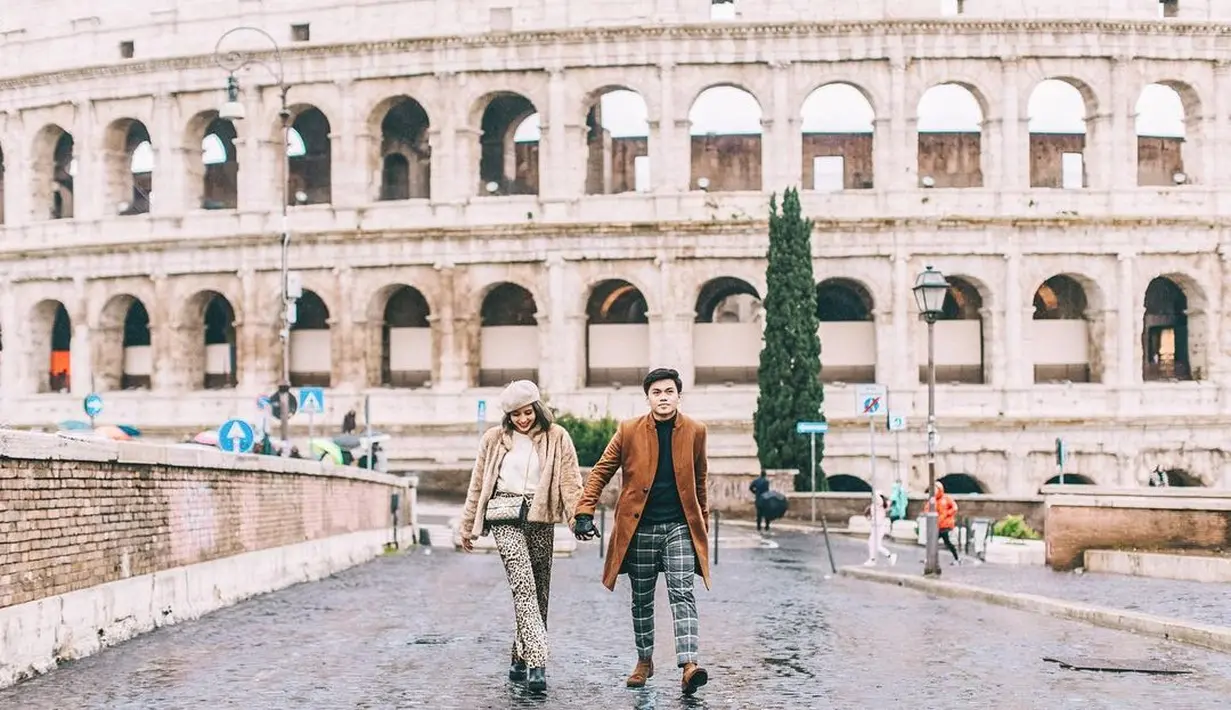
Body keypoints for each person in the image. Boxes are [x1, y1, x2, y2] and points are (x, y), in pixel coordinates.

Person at [572, 367, 712, 696]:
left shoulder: (696, 430)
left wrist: (700, 525)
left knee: (683, 593)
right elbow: (601, 471)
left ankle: (689, 664)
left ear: (678, 395)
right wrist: (584, 510)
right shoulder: (629, 430)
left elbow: (700, 481)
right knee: (641, 600)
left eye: (669, 392)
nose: (663, 398)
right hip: (640, 528)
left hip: (679, 526)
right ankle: (644, 660)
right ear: (648, 397)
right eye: (656, 393)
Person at [458, 380, 583, 693]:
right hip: (504, 516)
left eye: (527, 412)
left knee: (540, 592)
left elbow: (570, 481)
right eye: (516, 415)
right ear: (508, 416)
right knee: (523, 587)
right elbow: (477, 483)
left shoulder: (557, 437)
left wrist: (578, 516)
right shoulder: (493, 439)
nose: (523, 419)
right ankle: (538, 662)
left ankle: (518, 654)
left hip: (540, 517)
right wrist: (468, 523)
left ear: (537, 409)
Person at [925, 481, 961, 564]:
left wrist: (947, 514)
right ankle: (930, 559)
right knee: (933, 542)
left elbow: (955, 507)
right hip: (937, 525)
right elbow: (927, 508)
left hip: (946, 525)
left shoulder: (946, 498)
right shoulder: (933, 500)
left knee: (945, 542)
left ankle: (956, 559)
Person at [863, 490, 897, 567]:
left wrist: (875, 493)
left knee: (876, 545)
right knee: (871, 543)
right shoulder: (878, 504)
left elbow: (879, 499)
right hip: (875, 527)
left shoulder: (880, 503)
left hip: (878, 527)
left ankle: (889, 555)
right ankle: (872, 560)